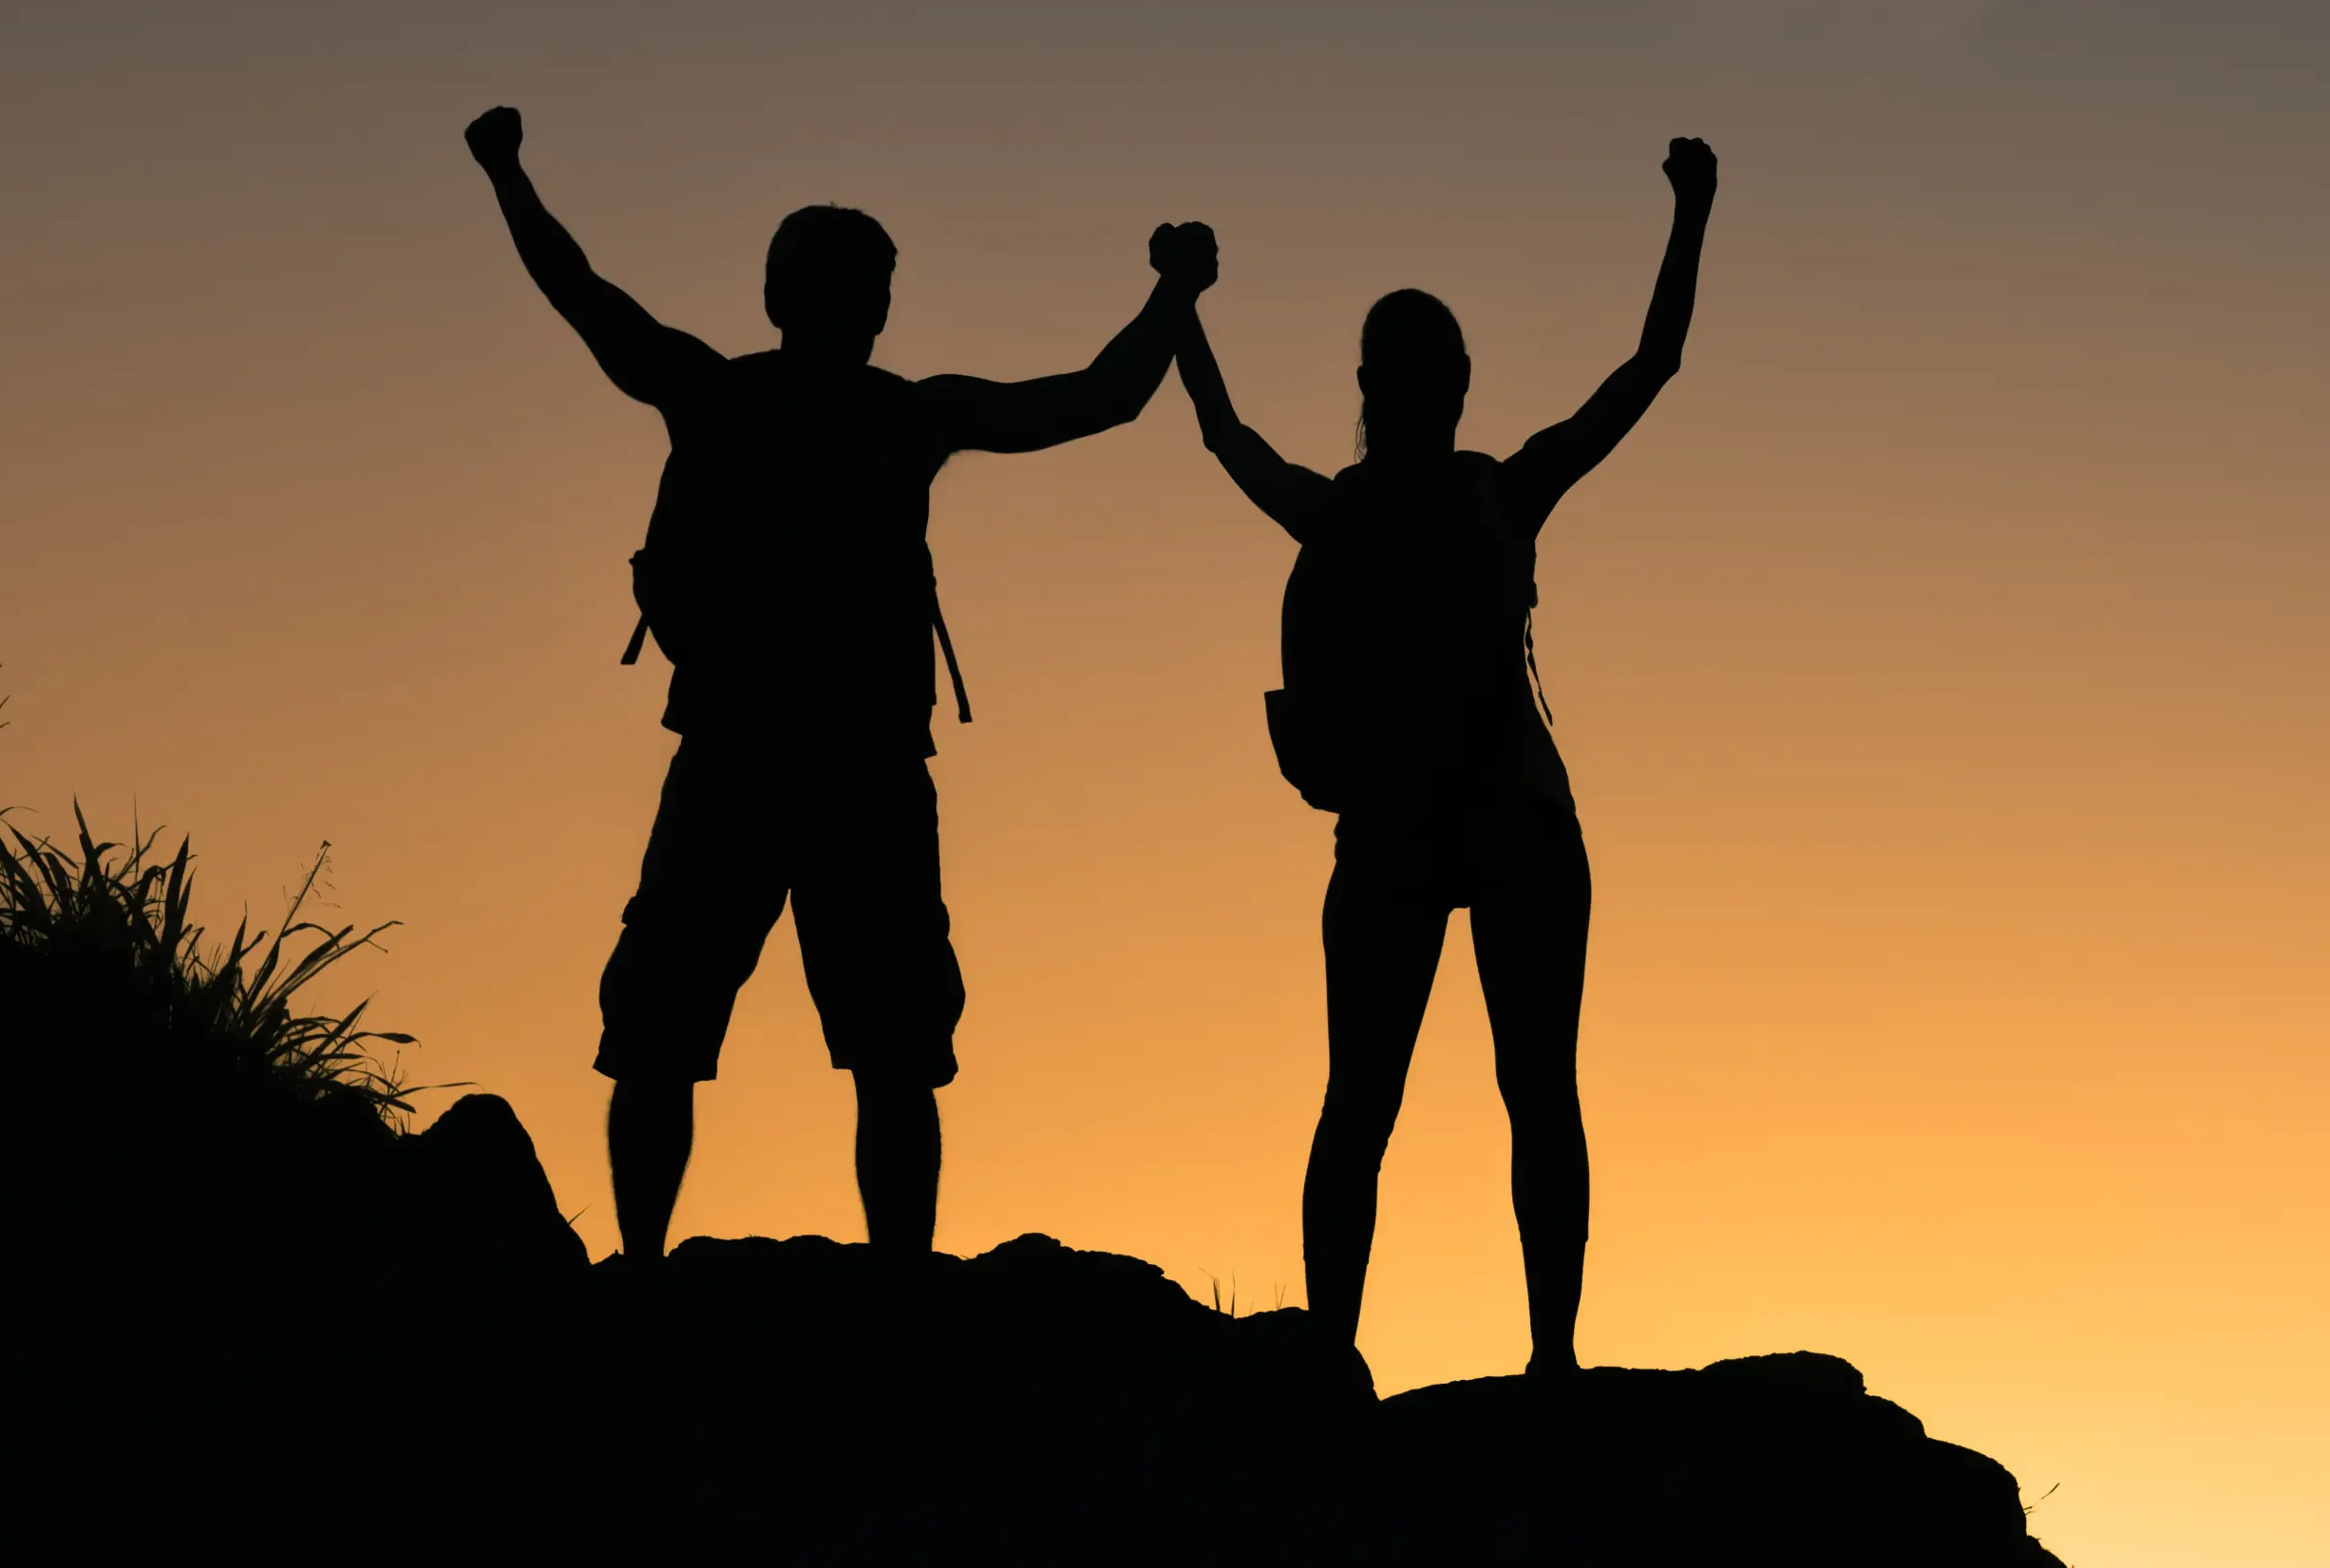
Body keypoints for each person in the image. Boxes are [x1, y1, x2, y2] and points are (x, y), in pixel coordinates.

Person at [464, 105, 1218, 1260]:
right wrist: (1176, 291)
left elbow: (582, 294)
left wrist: (506, 172)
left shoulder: (723, 396)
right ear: (870, 308)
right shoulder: (904, 416)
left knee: (700, 1032)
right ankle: (889, 1286)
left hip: (742, 761)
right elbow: (1099, 396)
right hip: (843, 771)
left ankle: (652, 1272)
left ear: (782, 298)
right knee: (878, 1048)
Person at [1174, 138, 1715, 1370]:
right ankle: (1551, 1361)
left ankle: (1332, 1353)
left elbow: (1223, 435)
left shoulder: (1345, 510)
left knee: (1364, 1103)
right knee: (1528, 1093)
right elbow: (1650, 369)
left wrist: (1184, 311)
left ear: (1369, 380)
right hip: (1507, 819)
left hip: (1411, 831)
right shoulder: (1498, 493)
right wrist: (1692, 211)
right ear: (1458, 381)